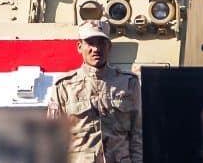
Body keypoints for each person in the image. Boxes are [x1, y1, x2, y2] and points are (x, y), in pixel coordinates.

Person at [47, 19, 142, 163]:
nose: (96, 49)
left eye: (101, 43)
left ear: (109, 47)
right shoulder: (64, 87)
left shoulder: (129, 83)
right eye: (90, 43)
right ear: (79, 46)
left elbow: (138, 135)